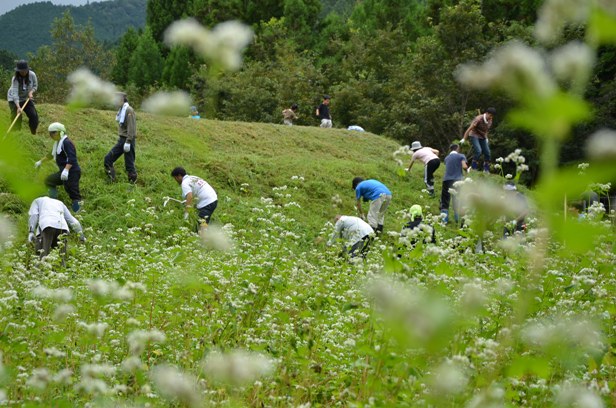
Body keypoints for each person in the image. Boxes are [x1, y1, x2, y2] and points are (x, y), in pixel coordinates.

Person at [34, 122, 82, 213]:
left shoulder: (66, 143)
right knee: (49, 180)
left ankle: (78, 211)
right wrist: (40, 162)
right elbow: (51, 155)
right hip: (63, 171)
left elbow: (72, 158)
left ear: (60, 132)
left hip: (72, 172)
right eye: (50, 133)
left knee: (72, 192)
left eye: (53, 132)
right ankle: (53, 201)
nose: (51, 135)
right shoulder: (57, 143)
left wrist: (66, 170)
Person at [28, 196, 85, 262]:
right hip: (63, 227)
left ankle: (40, 269)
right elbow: (73, 221)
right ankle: (61, 269)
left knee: (43, 255)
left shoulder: (37, 200)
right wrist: (82, 237)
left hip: (47, 225)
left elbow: (34, 215)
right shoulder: (60, 203)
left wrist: (31, 231)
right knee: (61, 258)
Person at [171, 167, 218, 231]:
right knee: (201, 222)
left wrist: (186, 213)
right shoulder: (193, 177)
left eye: (175, 178)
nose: (176, 180)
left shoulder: (184, 183)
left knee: (201, 226)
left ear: (179, 176)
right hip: (213, 199)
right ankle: (203, 236)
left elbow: (189, 196)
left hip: (207, 202)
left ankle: (204, 238)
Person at [104, 93, 137, 183]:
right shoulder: (121, 110)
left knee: (129, 164)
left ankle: (132, 185)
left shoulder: (129, 110)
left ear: (122, 100)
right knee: (108, 159)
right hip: (122, 139)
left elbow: (132, 127)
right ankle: (112, 180)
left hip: (128, 140)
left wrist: (128, 141)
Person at [8, 60, 39, 135]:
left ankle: (33, 134)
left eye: (24, 71)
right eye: (21, 71)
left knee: (33, 116)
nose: (23, 73)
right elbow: (14, 93)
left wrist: (31, 92)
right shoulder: (15, 79)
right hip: (13, 99)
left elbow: (35, 86)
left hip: (26, 98)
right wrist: (18, 107)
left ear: (27, 69)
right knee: (17, 118)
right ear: (18, 71)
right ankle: (15, 135)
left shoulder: (32, 75)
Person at [461, 107, 496, 173]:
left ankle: (486, 169)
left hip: (482, 136)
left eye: (492, 116)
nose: (491, 117)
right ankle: (472, 168)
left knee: (487, 152)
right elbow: (470, 128)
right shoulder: (478, 119)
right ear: (487, 113)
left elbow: (486, 130)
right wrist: (464, 138)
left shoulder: (490, 120)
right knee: (478, 151)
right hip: (474, 135)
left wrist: (486, 138)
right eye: (490, 115)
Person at [440, 143, 468, 223]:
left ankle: (444, 220)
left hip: (446, 180)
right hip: (457, 180)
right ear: (457, 149)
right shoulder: (461, 156)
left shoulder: (446, 158)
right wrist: (467, 170)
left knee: (445, 199)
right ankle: (457, 219)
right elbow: (464, 166)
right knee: (457, 198)